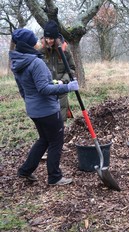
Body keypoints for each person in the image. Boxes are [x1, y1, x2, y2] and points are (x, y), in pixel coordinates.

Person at [9, 28, 79, 185]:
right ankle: (54, 177)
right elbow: (44, 89)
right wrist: (68, 87)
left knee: (44, 139)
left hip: (34, 110)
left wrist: (33, 101)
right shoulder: (36, 62)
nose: (37, 42)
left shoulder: (18, 62)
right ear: (28, 43)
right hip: (47, 110)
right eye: (34, 40)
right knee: (56, 141)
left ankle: (25, 170)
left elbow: (24, 88)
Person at [38, 20, 75, 122]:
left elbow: (71, 69)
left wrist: (63, 81)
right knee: (48, 120)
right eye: (47, 38)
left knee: (60, 119)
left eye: (51, 38)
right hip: (46, 90)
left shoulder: (64, 50)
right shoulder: (40, 52)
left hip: (61, 89)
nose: (49, 40)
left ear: (56, 38)